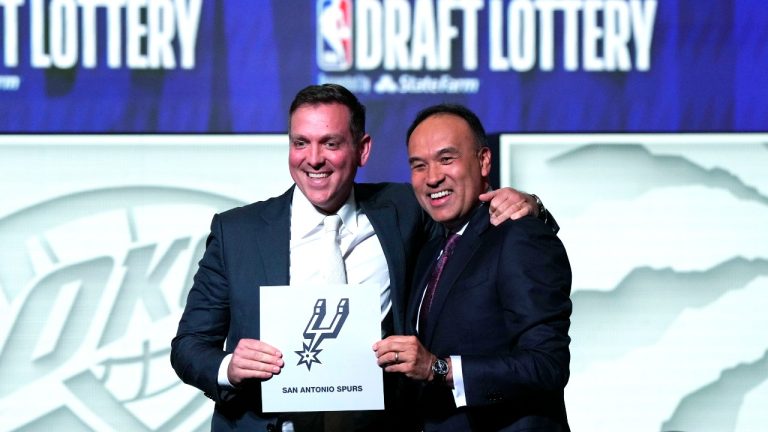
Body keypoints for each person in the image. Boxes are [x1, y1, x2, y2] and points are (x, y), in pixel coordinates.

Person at [170, 84, 554, 432]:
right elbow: (188, 347)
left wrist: (530, 205)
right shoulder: (236, 232)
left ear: (363, 149)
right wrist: (228, 368)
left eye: (331, 143)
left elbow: (471, 221)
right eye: (300, 142)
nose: (313, 158)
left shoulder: (404, 210)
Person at [373, 104, 572, 431]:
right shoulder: (431, 246)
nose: (433, 176)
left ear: (483, 161)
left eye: (446, 159)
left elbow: (547, 366)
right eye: (419, 165)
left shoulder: (520, 235)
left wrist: (439, 369)